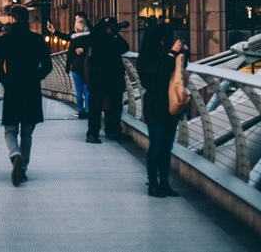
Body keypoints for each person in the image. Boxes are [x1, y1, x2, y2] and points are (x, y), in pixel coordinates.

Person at [0, 5, 53, 186]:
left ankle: (15, 154)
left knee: (10, 129)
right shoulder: (36, 40)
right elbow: (48, 65)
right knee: (27, 132)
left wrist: (6, 80)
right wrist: (36, 76)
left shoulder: (6, 40)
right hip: (31, 89)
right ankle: (23, 168)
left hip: (13, 88)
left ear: (12, 19)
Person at [137, 19, 189, 197]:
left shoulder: (167, 53)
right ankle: (153, 184)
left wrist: (183, 55)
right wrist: (172, 54)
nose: (164, 41)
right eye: (161, 38)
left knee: (167, 147)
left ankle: (165, 183)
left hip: (170, 105)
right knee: (157, 145)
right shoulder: (145, 57)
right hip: (155, 104)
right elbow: (156, 75)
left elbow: (176, 74)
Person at [85, 16, 130, 144]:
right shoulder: (97, 37)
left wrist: (114, 33)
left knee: (114, 104)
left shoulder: (109, 37)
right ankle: (93, 133)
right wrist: (112, 33)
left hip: (110, 76)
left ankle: (112, 131)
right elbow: (122, 47)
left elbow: (124, 47)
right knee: (97, 106)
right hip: (101, 76)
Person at [48, 12, 92, 118]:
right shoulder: (91, 36)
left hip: (76, 67)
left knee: (78, 91)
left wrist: (67, 67)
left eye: (76, 20)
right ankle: (88, 111)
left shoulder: (74, 38)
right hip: (88, 66)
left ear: (81, 21)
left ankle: (80, 111)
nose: (75, 21)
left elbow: (70, 54)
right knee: (87, 90)